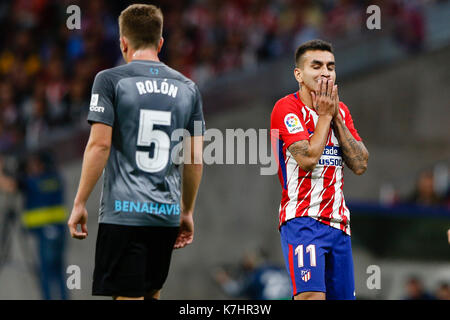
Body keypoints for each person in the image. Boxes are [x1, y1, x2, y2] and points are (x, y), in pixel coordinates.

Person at [67, 4, 204, 300]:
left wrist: (79, 202)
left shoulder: (110, 80)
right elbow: (194, 157)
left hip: (124, 216)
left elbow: (100, 144)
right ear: (161, 43)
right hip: (165, 216)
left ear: (123, 42)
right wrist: (187, 210)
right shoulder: (188, 88)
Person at [270, 39, 369, 300]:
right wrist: (325, 116)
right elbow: (308, 158)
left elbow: (360, 164)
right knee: (311, 297)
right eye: (316, 66)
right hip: (303, 219)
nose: (325, 72)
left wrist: (335, 117)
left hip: (339, 224)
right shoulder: (286, 108)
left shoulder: (342, 112)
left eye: (330, 66)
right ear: (299, 74)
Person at [0, 152, 68, 300]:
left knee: (44, 275)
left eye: (32, 164)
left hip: (45, 234)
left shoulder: (32, 181)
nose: (29, 168)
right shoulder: (56, 178)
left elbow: (8, 185)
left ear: (40, 165)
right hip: (60, 232)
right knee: (59, 273)